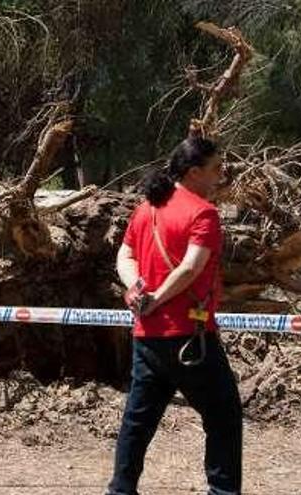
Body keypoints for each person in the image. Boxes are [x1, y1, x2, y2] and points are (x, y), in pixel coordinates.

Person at [107, 136, 242, 495]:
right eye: (216, 169)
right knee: (224, 416)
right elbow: (190, 269)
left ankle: (120, 491)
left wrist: (138, 290)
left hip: (148, 335)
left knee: (138, 421)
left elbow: (124, 256)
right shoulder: (204, 213)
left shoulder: (146, 208)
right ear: (195, 172)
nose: (221, 175)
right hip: (189, 337)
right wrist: (155, 297)